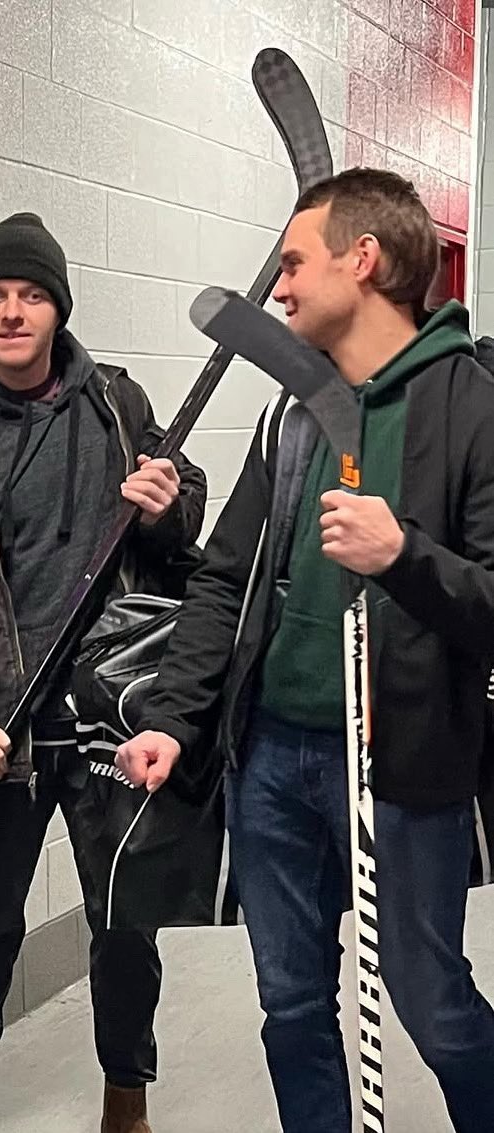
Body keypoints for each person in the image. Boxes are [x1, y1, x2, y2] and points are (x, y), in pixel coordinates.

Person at [118, 168, 494, 1133]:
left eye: (292, 263)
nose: (276, 287)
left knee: (433, 1006)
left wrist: (403, 556)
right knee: (289, 1004)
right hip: (272, 759)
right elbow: (222, 579)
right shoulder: (291, 416)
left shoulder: (471, 407)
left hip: (401, 766)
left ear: (362, 260)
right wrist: (171, 715)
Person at [0, 213, 207, 1133]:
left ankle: (124, 1102)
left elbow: (189, 548)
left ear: (58, 308)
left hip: (111, 719)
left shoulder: (119, 408)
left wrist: (166, 510)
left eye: (31, 295)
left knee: (123, 922)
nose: (11, 313)